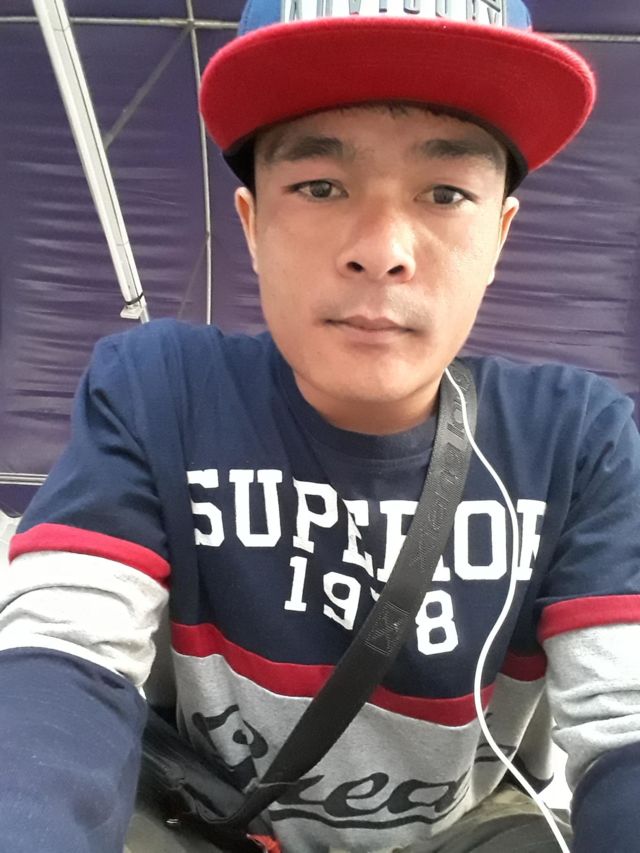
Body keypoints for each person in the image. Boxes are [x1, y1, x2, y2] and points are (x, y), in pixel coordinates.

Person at [1, 1, 639, 851]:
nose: (382, 248)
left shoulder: (576, 438)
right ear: (252, 224)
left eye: (446, 192)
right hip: (207, 816)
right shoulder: (157, 390)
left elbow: (627, 724)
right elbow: (61, 663)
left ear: (498, 237)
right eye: (320, 186)